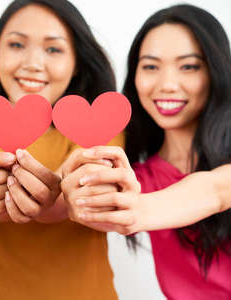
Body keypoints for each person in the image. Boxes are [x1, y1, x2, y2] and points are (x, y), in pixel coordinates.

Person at [0, 0, 123, 299]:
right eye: (16, 45)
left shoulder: (103, 131)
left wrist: (55, 198)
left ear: (77, 63)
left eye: (53, 49)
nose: (32, 63)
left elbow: (73, 200)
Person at [61, 4, 231, 299]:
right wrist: (65, 191)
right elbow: (61, 203)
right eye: (150, 66)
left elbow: (216, 190)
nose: (166, 85)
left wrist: (138, 210)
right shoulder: (137, 179)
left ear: (216, 71)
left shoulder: (141, 197)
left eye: (189, 66)